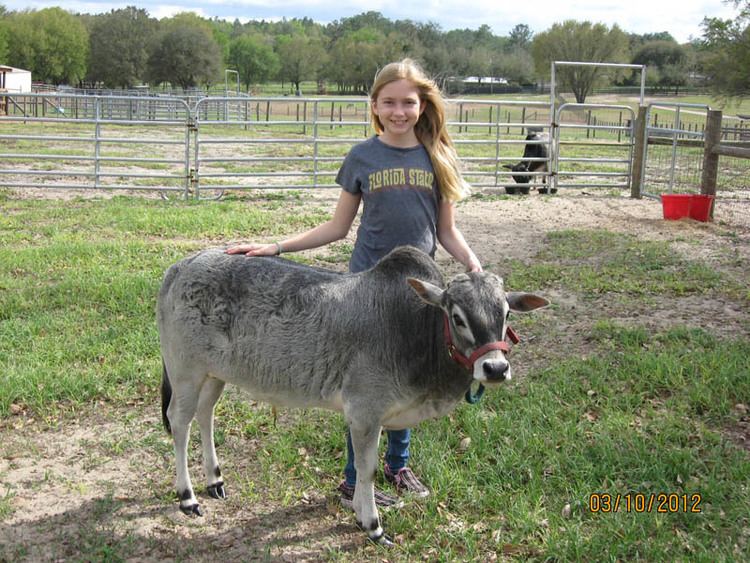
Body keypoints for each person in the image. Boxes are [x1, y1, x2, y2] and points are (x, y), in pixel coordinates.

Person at [226, 58, 482, 509]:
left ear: (423, 105)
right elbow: (337, 227)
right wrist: (277, 247)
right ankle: (351, 480)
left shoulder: (437, 157)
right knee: (367, 390)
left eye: (408, 102)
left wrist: (471, 263)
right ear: (375, 106)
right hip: (366, 290)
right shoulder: (363, 157)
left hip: (420, 294)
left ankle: (397, 465)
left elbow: (446, 232)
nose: (399, 111)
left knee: (411, 376)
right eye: (389, 102)